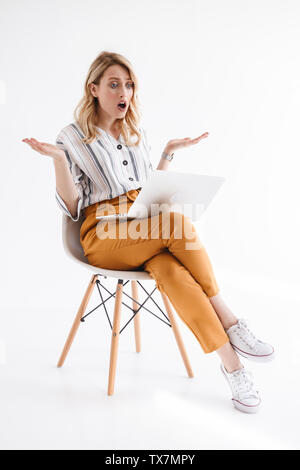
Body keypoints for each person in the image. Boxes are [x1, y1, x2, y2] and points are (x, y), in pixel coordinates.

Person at [22, 50, 274, 414]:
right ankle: (231, 320)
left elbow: (148, 190)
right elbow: (73, 207)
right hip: (102, 233)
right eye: (113, 84)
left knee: (171, 270)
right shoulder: (72, 136)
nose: (124, 91)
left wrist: (168, 154)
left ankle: (233, 367)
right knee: (176, 222)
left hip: (140, 225)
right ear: (93, 89)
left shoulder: (136, 132)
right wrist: (60, 161)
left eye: (129, 85)